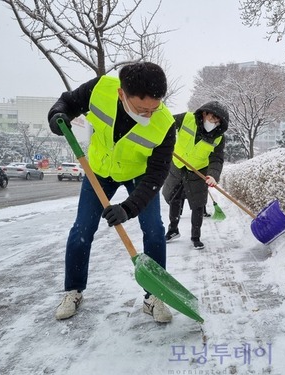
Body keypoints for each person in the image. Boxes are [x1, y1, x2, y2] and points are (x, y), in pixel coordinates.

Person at [48, 62, 175, 323]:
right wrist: (57, 114)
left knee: (154, 229)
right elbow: (67, 102)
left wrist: (128, 208)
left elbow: (157, 174)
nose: (149, 115)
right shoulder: (100, 89)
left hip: (139, 174)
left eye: (154, 109)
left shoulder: (164, 124)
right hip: (98, 171)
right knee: (82, 229)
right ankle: (73, 290)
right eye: (142, 109)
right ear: (121, 94)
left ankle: (154, 295)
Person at [162, 101, 229, 249]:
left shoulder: (218, 137)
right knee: (174, 198)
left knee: (198, 205)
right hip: (178, 166)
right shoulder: (186, 118)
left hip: (199, 171)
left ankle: (195, 237)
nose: (214, 123)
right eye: (212, 118)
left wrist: (213, 175)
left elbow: (216, 158)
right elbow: (164, 124)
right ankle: (173, 229)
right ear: (204, 114)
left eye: (217, 121)